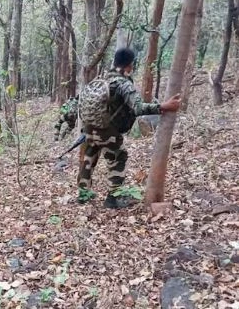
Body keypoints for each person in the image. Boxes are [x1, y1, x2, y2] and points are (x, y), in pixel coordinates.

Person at [77, 48, 181, 208]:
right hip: (109, 132)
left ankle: (83, 195)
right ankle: (113, 198)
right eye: (132, 65)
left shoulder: (100, 80)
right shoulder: (123, 83)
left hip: (90, 129)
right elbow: (138, 108)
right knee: (119, 157)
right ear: (129, 66)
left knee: (89, 158)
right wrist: (163, 106)